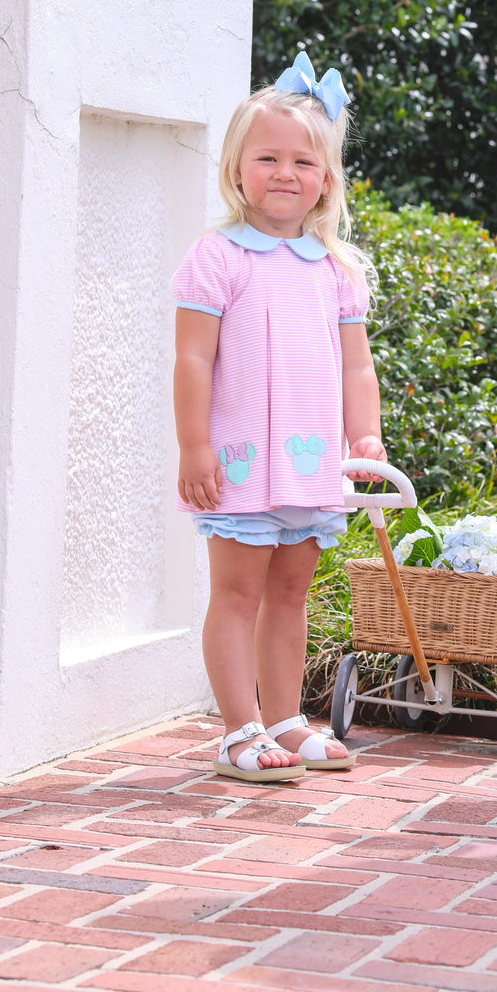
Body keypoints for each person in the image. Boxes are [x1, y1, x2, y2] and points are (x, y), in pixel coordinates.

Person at [172, 52, 385, 782]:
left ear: (326, 178)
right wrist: (194, 446)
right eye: (267, 158)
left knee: (291, 594)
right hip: (237, 461)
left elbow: (357, 366)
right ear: (237, 169)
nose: (285, 174)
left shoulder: (335, 269)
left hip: (310, 462)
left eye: (303, 161)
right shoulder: (217, 258)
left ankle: (288, 719)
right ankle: (239, 730)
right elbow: (193, 361)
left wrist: (365, 437)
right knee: (237, 594)